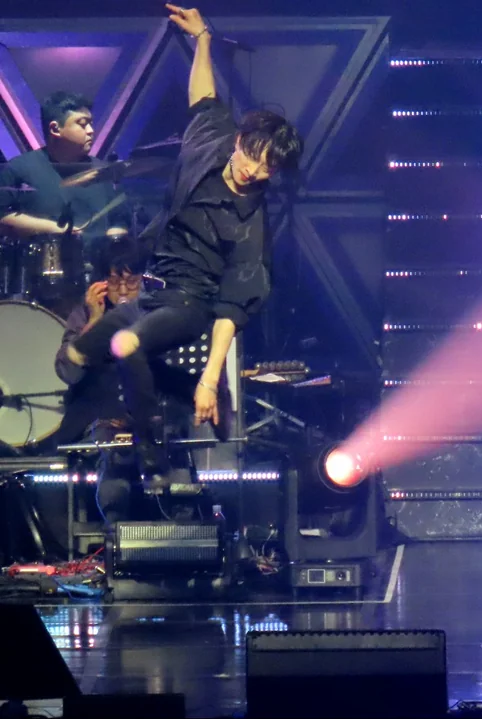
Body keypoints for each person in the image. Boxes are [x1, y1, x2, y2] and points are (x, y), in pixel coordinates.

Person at [65, 4, 303, 490]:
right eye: (252, 157)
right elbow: (204, 98)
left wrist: (211, 380)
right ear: (239, 141)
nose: (254, 172)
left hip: (192, 305)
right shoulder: (211, 143)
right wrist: (203, 39)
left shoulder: (250, 223)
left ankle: (152, 455)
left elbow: (231, 310)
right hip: (154, 293)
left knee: (126, 344)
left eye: (267, 169)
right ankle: (173, 385)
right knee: (78, 356)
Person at [0, 91, 132, 314]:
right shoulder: (20, 169)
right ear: (55, 129)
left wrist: (112, 244)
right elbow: (2, 215)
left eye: (91, 123)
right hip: (40, 281)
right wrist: (53, 229)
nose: (91, 130)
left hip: (99, 282)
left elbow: (120, 221)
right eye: (82, 124)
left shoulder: (103, 173)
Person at [52, 239, 147, 525]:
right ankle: (115, 531)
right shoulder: (84, 315)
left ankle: (183, 529)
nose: (122, 290)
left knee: (175, 446)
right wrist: (94, 321)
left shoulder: (155, 312)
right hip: (97, 420)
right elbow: (68, 372)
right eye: (115, 281)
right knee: (114, 451)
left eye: (131, 282)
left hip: (148, 415)